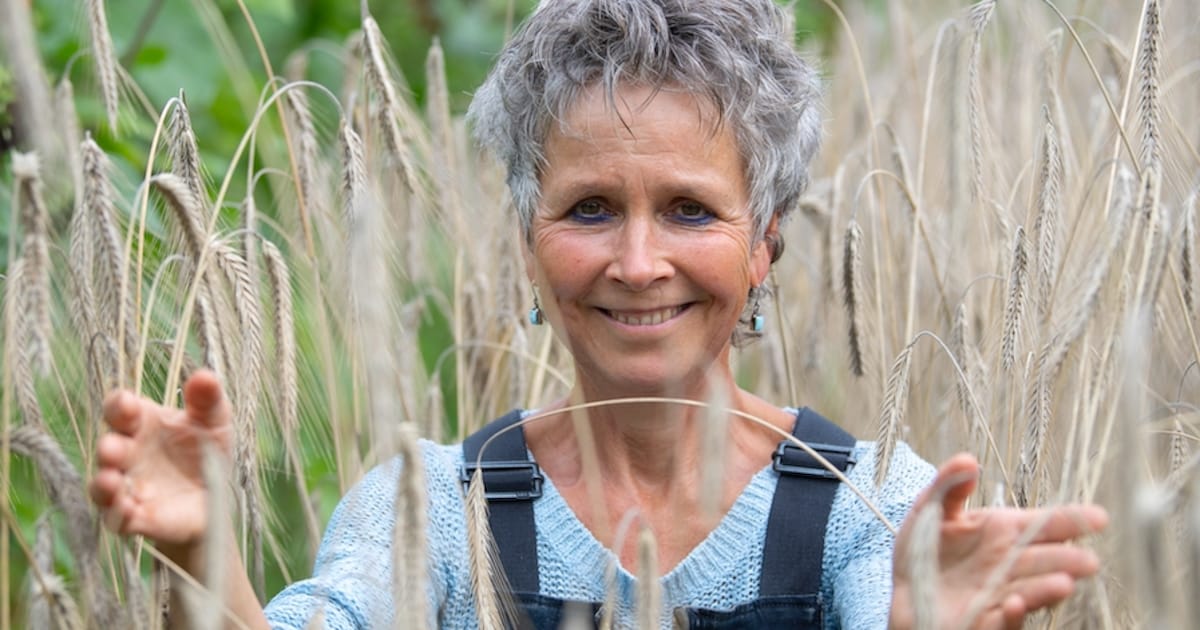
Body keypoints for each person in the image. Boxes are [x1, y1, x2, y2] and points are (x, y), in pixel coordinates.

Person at [88, 0, 1108, 628]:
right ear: (528, 239)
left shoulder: (875, 508)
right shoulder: (435, 509)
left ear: (766, 245)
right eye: (588, 209)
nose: (636, 261)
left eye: (689, 210)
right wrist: (206, 560)